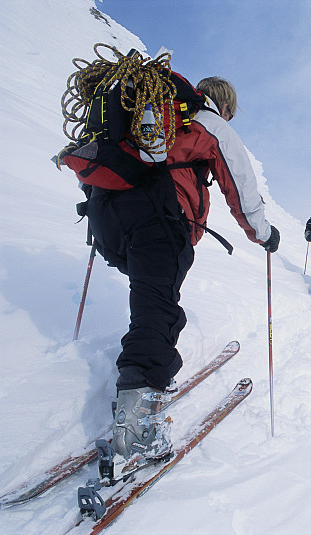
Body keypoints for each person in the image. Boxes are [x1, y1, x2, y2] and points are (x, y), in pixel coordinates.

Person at [85, 75, 279, 478]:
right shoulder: (207, 121)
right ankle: (138, 419)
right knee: (158, 311)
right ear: (223, 105)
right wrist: (264, 234)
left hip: (107, 218)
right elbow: (238, 184)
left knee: (152, 300)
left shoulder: (151, 115)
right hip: (159, 216)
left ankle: (142, 384)